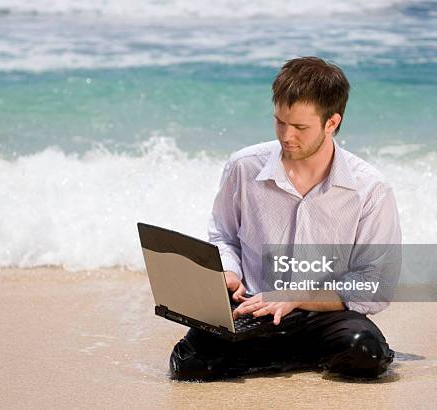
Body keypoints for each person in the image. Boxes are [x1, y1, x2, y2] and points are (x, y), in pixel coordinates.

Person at [169, 56, 402, 381]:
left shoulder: (369, 188)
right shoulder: (244, 166)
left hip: (321, 313)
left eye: (300, 127)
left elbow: (374, 283)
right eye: (280, 122)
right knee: (189, 363)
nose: (286, 135)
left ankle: (274, 355)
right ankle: (289, 356)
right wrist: (229, 273)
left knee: (367, 353)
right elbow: (223, 235)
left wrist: (296, 297)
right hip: (253, 306)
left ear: (332, 123)